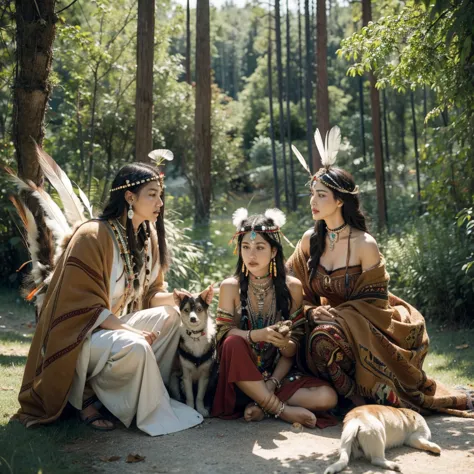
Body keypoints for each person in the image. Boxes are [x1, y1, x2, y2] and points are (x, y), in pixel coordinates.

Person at [11, 150, 204, 435]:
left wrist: (180, 300)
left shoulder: (145, 237)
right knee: (136, 345)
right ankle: (88, 397)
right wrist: (131, 332)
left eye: (160, 195)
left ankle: (137, 396)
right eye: (152, 195)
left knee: (172, 317)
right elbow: (81, 307)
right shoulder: (92, 236)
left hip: (111, 329)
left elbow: (152, 293)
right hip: (80, 334)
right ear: (129, 197)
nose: (160, 203)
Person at [287, 126, 474, 416]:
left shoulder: (364, 244)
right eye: (312, 194)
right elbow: (292, 287)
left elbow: (374, 305)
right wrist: (311, 311)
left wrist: (337, 316)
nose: (313, 201)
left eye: (321, 195)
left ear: (339, 200)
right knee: (316, 335)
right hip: (326, 323)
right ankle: (347, 396)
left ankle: (359, 401)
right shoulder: (309, 241)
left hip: (370, 328)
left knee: (324, 337)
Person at [211, 208, 338, 428]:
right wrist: (257, 335)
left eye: (260, 248)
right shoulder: (229, 287)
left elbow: (293, 347)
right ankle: (280, 410)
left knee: (328, 397)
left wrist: (283, 349)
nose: (252, 255)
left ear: (273, 252)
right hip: (238, 378)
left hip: (276, 376)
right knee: (233, 342)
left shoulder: (292, 287)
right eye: (246, 247)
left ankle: (260, 403)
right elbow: (222, 336)